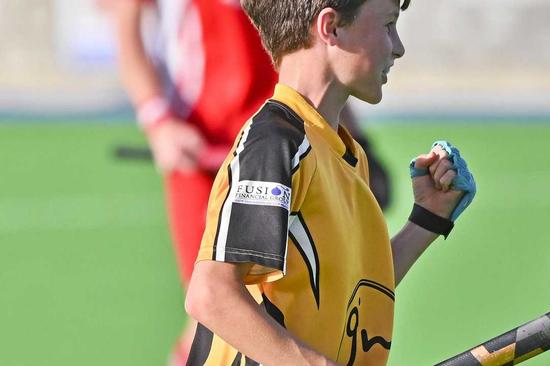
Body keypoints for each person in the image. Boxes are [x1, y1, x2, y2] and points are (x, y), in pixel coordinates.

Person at [184, 0, 476, 365]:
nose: (397, 46)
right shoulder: (277, 144)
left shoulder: (343, 151)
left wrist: (427, 220)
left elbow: (352, 289)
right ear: (331, 28)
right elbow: (211, 294)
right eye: (388, 25)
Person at [105, 0, 392, 363]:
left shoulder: (296, 137)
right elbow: (123, 20)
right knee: (223, 301)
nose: (397, 47)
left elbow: (315, 54)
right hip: (203, 154)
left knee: (293, 291)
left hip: (286, 141)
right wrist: (157, 119)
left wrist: (353, 137)